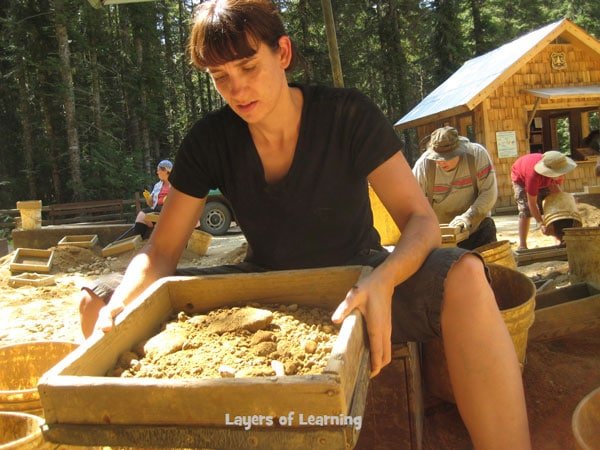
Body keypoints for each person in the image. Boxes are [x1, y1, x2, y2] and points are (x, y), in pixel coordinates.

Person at [79, 1, 531, 447]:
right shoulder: (209, 140)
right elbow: (161, 251)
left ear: (284, 53)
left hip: (357, 277)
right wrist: (121, 303)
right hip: (263, 285)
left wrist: (385, 278)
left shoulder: (347, 114)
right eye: (220, 77)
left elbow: (420, 221)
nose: (237, 89)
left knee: (467, 275)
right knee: (96, 303)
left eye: (248, 66)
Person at [412, 126, 498, 250]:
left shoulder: (477, 155)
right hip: (440, 234)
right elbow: (414, 203)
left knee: (488, 264)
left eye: (446, 157)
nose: (441, 162)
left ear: (459, 150)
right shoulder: (423, 166)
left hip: (475, 227)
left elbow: (489, 194)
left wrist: (467, 217)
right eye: (437, 158)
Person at [510, 151, 577, 250]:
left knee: (555, 206)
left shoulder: (558, 168)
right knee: (525, 210)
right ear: (549, 171)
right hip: (521, 179)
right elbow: (531, 203)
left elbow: (557, 194)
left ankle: (559, 239)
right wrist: (540, 223)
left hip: (543, 178)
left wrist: (565, 205)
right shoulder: (532, 176)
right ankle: (522, 245)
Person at [121, 159, 173, 240]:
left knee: (147, 216)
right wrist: (149, 199)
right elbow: (151, 204)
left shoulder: (176, 185)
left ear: (165, 171)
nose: (157, 172)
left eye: (158, 170)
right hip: (157, 210)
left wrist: (169, 199)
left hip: (170, 211)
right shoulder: (157, 185)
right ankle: (137, 239)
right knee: (141, 215)